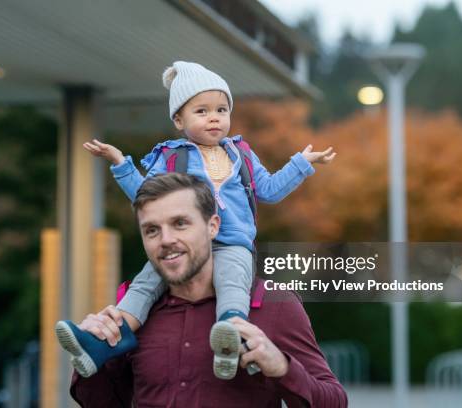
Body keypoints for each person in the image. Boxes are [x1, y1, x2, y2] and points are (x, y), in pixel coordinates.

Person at [57, 61, 336, 380]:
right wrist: (121, 164)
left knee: (233, 281)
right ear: (179, 119)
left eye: (221, 109)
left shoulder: (242, 154)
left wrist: (300, 163)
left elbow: (270, 190)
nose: (214, 117)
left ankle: (230, 341)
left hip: (233, 244)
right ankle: (104, 342)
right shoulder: (173, 157)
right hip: (184, 245)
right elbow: (147, 197)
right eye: (201, 111)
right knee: (145, 283)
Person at [70, 173, 348, 407]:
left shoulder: (274, 304)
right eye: (152, 230)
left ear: (212, 226)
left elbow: (335, 401)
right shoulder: (132, 315)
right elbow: (102, 402)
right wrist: (89, 359)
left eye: (180, 223)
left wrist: (283, 368)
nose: (166, 240)